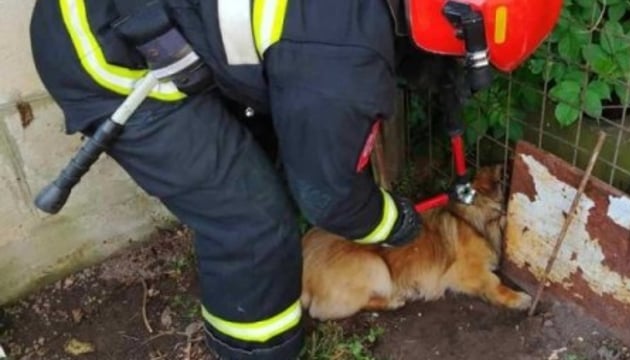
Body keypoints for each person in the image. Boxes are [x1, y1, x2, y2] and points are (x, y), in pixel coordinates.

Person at [28, 0, 560, 358]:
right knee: (252, 223)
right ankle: (258, 348)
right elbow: (329, 197)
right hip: (105, 50)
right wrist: (393, 223)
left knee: (261, 168)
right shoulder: (342, 55)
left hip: (167, 22)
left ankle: (255, 283)